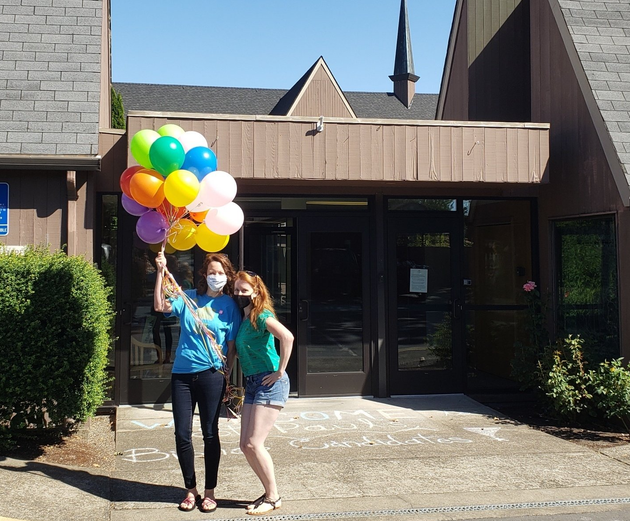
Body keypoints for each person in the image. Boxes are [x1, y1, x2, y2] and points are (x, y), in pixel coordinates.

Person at [154, 251, 241, 513]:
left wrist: (227, 374)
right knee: (182, 434)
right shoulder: (189, 297)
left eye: (221, 273)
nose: (216, 277)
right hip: (182, 375)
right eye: (212, 272)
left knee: (210, 433)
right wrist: (160, 272)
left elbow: (232, 346)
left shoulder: (230, 306)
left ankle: (210, 492)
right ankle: (190, 490)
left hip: (212, 375)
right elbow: (160, 306)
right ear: (204, 274)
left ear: (227, 277)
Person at [232, 270, 294, 515]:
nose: (239, 295)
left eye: (244, 291)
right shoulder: (244, 320)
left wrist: (280, 371)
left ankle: (273, 496)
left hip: (270, 382)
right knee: (245, 445)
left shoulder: (261, 316)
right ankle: (269, 493)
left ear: (255, 292)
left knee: (255, 443)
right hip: (252, 383)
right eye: (236, 290)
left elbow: (287, 337)